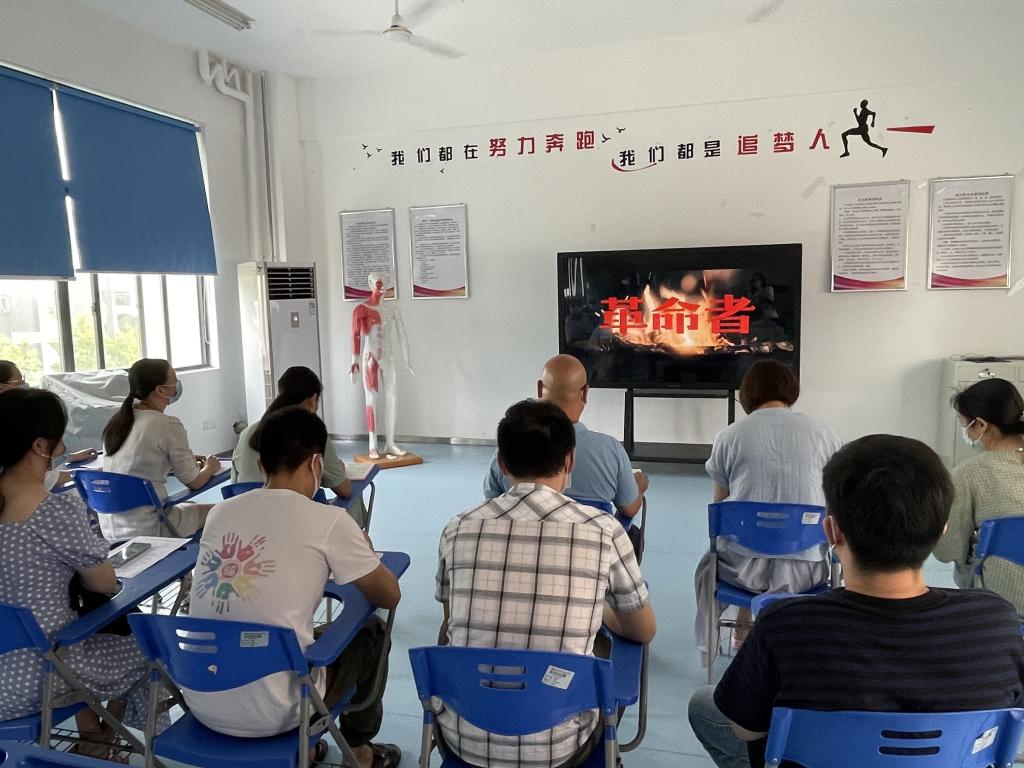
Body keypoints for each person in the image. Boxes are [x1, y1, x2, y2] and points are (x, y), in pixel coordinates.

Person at [689, 434, 1024, 768]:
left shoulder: (785, 626)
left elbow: (745, 730)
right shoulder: (995, 622)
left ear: (832, 531)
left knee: (704, 705)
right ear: (942, 530)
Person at [437, 399, 655, 768]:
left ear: (502, 463)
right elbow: (643, 630)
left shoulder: (458, 528)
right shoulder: (603, 531)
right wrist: (600, 609)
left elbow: (449, 623)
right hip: (561, 744)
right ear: (570, 461)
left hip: (463, 737)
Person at [186, 405, 401, 767]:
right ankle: (358, 751)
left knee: (275, 630)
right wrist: (364, 554)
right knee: (372, 633)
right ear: (316, 463)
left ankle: (311, 750)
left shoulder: (221, 513)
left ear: (261, 464)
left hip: (201, 695)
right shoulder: (329, 520)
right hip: (278, 709)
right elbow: (389, 595)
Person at [0, 387, 166, 761]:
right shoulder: (52, 511)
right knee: (151, 646)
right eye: (60, 439)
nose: (62, 448)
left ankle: (95, 740)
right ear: (40, 445)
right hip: (38, 676)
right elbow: (105, 583)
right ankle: (116, 747)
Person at [695, 361, 841, 660]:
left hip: (742, 573)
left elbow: (720, 511)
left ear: (747, 394)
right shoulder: (825, 433)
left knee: (712, 561)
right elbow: (834, 503)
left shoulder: (729, 435)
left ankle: (726, 634)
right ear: (792, 391)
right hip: (807, 572)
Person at [484, 355, 648, 522]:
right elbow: (629, 509)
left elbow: (493, 506)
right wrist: (639, 488)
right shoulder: (611, 450)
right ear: (569, 461)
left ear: (540, 389)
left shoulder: (510, 448)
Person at [101, 358, 221, 540]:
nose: (178, 384)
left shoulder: (117, 422)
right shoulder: (167, 425)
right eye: (174, 379)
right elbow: (194, 482)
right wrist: (211, 467)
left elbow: (137, 464)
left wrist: (175, 461)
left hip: (112, 528)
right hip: (150, 526)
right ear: (160, 390)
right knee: (220, 511)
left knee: (188, 504)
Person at [232, 366, 366, 528]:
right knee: (354, 499)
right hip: (300, 523)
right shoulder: (313, 436)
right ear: (312, 400)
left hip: (250, 521)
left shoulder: (247, 433)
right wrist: (339, 472)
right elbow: (344, 490)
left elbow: (234, 486)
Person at [934, 378, 1024, 615]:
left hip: (1001, 608)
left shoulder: (969, 474)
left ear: (981, 425)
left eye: (965, 424)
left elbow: (947, 551)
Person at [0, 360, 98, 473]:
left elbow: (39, 472)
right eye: (20, 381)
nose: (25, 385)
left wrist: (68, 459)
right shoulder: (12, 424)